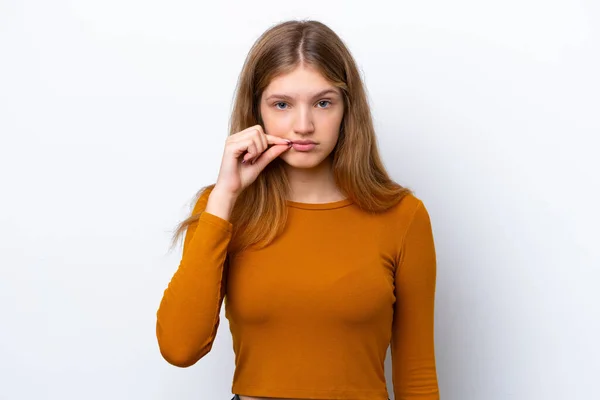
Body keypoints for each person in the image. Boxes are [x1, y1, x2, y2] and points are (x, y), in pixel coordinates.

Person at [156, 19, 440, 400]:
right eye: (282, 104)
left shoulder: (402, 216)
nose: (303, 125)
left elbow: (417, 375)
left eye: (323, 103)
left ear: (346, 109)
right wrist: (225, 195)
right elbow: (179, 347)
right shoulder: (223, 209)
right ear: (256, 111)